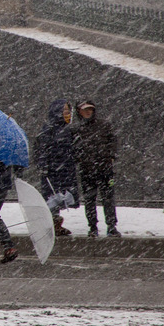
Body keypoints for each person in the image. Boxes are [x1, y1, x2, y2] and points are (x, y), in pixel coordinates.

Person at [71, 100, 121, 238]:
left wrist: (111, 156)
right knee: (89, 199)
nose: (88, 112)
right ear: (79, 112)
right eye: (85, 109)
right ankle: (93, 226)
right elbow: (72, 149)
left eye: (90, 109)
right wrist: (79, 158)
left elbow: (113, 141)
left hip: (105, 169)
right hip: (86, 170)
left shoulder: (104, 125)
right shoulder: (75, 129)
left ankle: (111, 226)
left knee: (108, 198)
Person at [34, 99, 79, 236]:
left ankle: (56, 223)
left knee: (61, 196)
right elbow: (41, 149)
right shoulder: (49, 129)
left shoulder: (68, 130)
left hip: (65, 169)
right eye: (65, 111)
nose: (68, 114)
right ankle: (53, 223)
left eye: (69, 111)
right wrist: (44, 165)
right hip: (53, 170)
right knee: (52, 197)